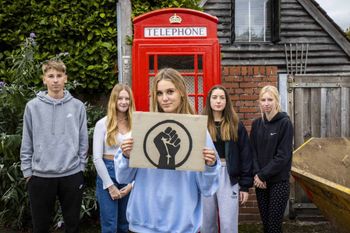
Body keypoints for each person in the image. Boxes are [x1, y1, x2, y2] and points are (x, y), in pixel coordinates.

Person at [115, 68, 221, 233]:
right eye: (159, 93)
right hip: (142, 225)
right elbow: (123, 177)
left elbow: (207, 188)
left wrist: (210, 166)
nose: (164, 98)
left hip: (182, 227)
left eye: (170, 92)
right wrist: (126, 156)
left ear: (182, 93)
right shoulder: (143, 127)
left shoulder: (198, 131)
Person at [20, 59, 88, 233]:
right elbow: (27, 139)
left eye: (59, 75)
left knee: (72, 226)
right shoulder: (32, 107)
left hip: (71, 173)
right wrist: (28, 171)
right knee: (40, 227)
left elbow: (83, 140)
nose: (55, 80)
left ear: (66, 78)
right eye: (51, 76)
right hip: (40, 176)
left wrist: (81, 167)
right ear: (44, 79)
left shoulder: (77, 106)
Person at [201, 85, 253, 233]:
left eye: (222, 98)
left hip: (229, 176)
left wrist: (244, 186)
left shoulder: (236, 124)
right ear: (209, 101)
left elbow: (246, 155)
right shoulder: (201, 124)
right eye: (215, 97)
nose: (218, 101)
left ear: (226, 101)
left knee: (228, 224)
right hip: (206, 174)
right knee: (206, 223)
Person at [250, 85, 293, 233]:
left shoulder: (285, 123)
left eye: (270, 99)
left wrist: (262, 175)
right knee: (266, 226)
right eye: (263, 100)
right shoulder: (256, 125)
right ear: (259, 102)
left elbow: (283, 156)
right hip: (260, 183)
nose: (266, 103)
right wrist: (257, 175)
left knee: (274, 227)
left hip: (278, 183)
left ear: (276, 101)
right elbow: (253, 152)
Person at [93, 84, 134, 233]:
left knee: (125, 224)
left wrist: (131, 184)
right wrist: (110, 186)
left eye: (127, 99)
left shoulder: (135, 124)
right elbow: (97, 158)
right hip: (107, 172)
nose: (123, 102)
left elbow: (141, 157)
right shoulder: (102, 124)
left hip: (128, 173)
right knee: (110, 225)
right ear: (113, 101)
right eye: (120, 98)